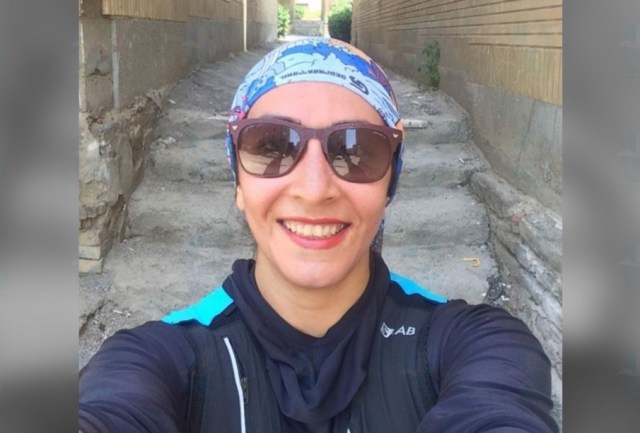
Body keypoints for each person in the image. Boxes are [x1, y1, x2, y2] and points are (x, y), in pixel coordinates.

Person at [79, 38, 557, 433]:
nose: (313, 190)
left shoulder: (475, 344)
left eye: (356, 149)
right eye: (272, 145)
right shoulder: (154, 358)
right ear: (238, 182)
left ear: (389, 183)